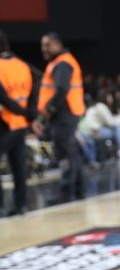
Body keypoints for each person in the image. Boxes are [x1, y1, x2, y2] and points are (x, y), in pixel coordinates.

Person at [33, 31, 85, 202]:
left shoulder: (62, 63)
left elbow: (61, 90)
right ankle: (78, 190)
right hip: (67, 112)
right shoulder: (60, 62)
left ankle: (66, 192)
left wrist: (46, 113)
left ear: (57, 44)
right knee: (72, 152)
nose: (44, 49)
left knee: (65, 153)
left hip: (63, 113)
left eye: (47, 45)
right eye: (42, 45)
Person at [0, 31, 36, 217]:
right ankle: (21, 205)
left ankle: (1, 207)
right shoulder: (23, 66)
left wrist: (21, 113)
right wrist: (29, 115)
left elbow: (4, 99)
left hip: (5, 123)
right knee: (18, 167)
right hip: (21, 124)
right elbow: (33, 96)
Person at [79, 89, 120, 166]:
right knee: (118, 128)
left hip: (91, 130)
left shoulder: (98, 106)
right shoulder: (101, 106)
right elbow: (111, 122)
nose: (111, 98)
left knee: (117, 128)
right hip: (93, 132)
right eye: (109, 96)